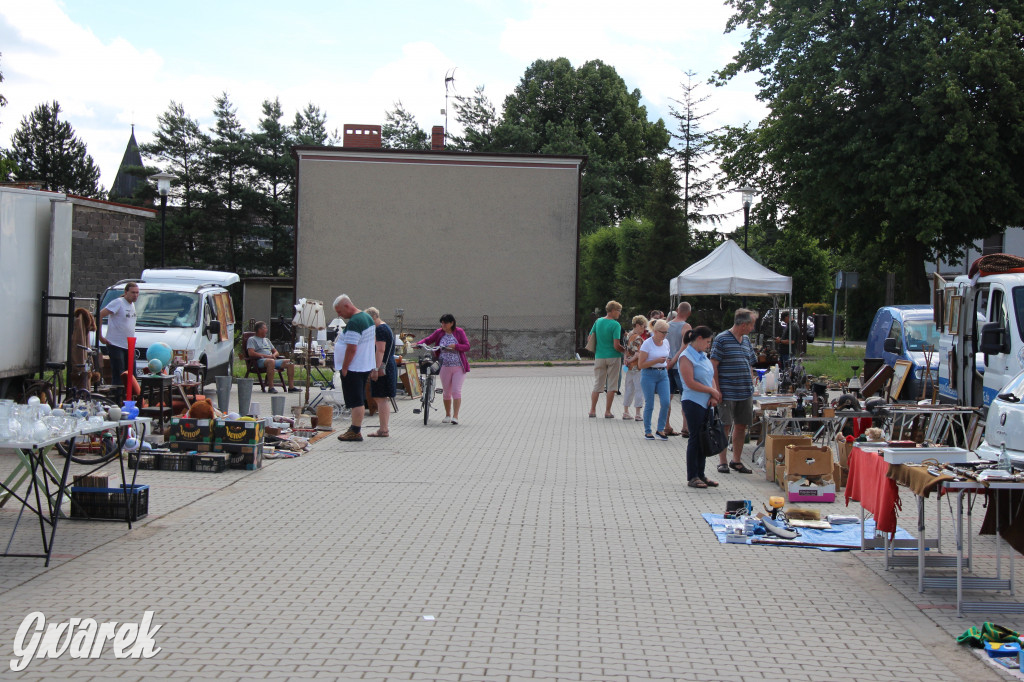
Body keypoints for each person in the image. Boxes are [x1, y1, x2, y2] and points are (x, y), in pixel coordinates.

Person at [710, 308, 759, 474]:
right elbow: (714, 365)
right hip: (727, 390)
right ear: (744, 324)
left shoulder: (745, 340)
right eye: (751, 325)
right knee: (725, 425)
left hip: (744, 390)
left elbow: (750, 362)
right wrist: (716, 389)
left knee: (741, 426)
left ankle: (736, 460)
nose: (753, 328)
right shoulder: (721, 339)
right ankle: (722, 461)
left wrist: (752, 382)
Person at [678, 326, 722, 489]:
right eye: (707, 341)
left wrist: (713, 394)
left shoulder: (703, 355)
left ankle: (701, 474)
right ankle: (692, 476)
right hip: (693, 402)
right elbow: (690, 382)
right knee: (695, 438)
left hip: (707, 403)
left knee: (705, 438)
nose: (708, 345)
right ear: (698, 339)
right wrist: (711, 390)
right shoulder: (686, 356)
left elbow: (710, 376)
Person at [333, 294, 377, 442]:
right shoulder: (366, 317)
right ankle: (354, 428)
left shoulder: (355, 322)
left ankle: (355, 430)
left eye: (339, 311)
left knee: (355, 399)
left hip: (354, 367)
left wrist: (344, 367)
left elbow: (352, 348)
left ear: (347, 306)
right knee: (357, 398)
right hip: (364, 365)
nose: (339, 315)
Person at [417, 313, 471, 424]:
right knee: (446, 392)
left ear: (452, 323)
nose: (443, 325)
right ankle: (447, 415)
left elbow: (467, 346)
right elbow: (428, 340)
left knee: (456, 391)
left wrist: (455, 346)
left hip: (458, 367)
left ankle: (455, 416)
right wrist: (418, 344)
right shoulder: (439, 332)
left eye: (445, 323)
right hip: (444, 366)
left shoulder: (459, 332)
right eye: (441, 323)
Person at [98, 282, 139, 388]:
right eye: (133, 292)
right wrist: (100, 336)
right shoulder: (118, 302)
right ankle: (117, 398)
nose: (135, 295)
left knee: (132, 374)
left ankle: (130, 398)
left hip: (128, 345)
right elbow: (99, 315)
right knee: (119, 375)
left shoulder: (132, 305)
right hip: (116, 344)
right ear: (126, 292)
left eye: (137, 293)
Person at [637, 319, 672, 440]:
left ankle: (660, 429)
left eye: (667, 332)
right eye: (663, 332)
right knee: (650, 403)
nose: (665, 335)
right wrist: (656, 361)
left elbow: (667, 356)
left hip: (663, 374)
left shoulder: (666, 342)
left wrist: (665, 363)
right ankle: (648, 430)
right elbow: (641, 365)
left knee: (666, 402)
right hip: (648, 374)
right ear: (656, 331)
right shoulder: (647, 343)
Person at [588, 301, 625, 418]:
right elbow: (616, 345)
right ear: (613, 310)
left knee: (598, 384)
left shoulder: (598, 321)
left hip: (599, 356)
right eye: (619, 311)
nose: (619, 313)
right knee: (612, 385)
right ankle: (607, 411)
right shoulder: (615, 325)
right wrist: (625, 350)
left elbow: (590, 337)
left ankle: (592, 410)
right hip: (613, 357)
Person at [365, 307, 396, 437]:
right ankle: (383, 428)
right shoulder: (385, 327)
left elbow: (381, 350)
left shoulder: (380, 329)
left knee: (380, 397)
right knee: (381, 398)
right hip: (388, 365)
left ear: (373, 317)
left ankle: (383, 429)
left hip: (383, 367)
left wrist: (376, 369)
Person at [246, 321, 300, 393]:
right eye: (265, 328)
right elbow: (251, 353)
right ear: (259, 329)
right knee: (271, 362)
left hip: (271, 360)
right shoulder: (252, 339)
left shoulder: (267, 340)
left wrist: (273, 355)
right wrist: (267, 356)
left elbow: (276, 352)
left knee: (290, 362)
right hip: (259, 361)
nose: (267, 330)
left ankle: (291, 387)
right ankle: (271, 387)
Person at [664, 301, 692, 437]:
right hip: (680, 366)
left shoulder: (667, 325)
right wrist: (674, 361)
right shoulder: (686, 326)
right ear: (689, 313)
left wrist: (667, 361)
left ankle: (666, 425)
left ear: (677, 310)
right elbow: (684, 347)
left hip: (666, 364)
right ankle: (685, 427)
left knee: (667, 396)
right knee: (685, 396)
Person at [621, 315, 648, 421]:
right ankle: (638, 413)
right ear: (637, 325)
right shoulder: (638, 338)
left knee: (628, 389)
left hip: (629, 367)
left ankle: (626, 411)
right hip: (637, 367)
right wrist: (630, 360)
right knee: (638, 390)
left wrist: (626, 360)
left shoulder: (628, 335)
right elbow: (637, 354)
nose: (644, 329)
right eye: (643, 326)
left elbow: (625, 351)